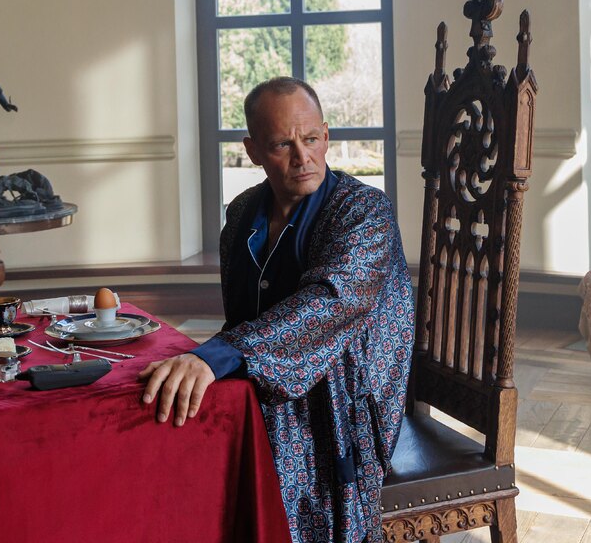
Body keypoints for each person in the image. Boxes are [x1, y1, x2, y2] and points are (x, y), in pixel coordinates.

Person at [139, 77, 414, 543]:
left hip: (345, 403)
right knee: (162, 414)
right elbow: (241, 316)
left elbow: (329, 302)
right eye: (282, 144)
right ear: (253, 151)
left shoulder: (365, 212)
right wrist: (214, 361)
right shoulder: (242, 213)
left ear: (326, 136)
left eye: (311, 139)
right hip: (265, 377)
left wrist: (219, 356)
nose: (303, 156)